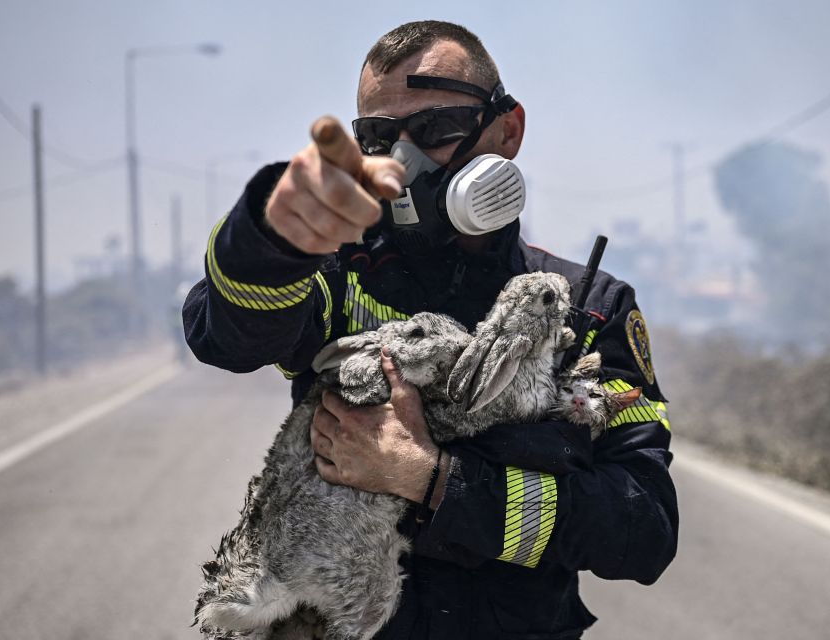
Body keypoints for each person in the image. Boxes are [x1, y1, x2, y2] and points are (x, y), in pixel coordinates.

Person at [184, 20, 677, 640]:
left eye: (436, 129)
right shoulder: (336, 272)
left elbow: (644, 530)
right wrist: (268, 240)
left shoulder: (580, 309)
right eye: (380, 136)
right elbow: (223, 338)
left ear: (508, 130)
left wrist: (432, 479)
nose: (403, 160)